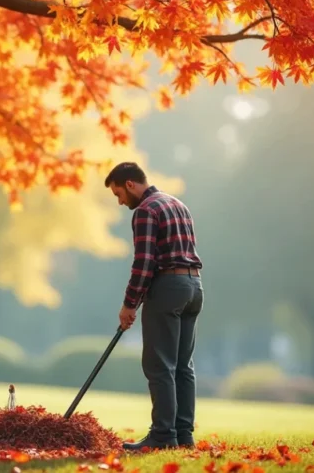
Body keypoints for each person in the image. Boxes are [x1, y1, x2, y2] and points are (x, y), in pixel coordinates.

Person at [104, 162, 204, 451]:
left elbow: (144, 262)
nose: (121, 201)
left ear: (131, 184)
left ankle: (162, 435)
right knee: (183, 366)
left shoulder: (146, 210)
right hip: (194, 287)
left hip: (168, 288)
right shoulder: (178, 204)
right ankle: (183, 435)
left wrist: (129, 304)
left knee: (159, 364)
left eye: (118, 194)